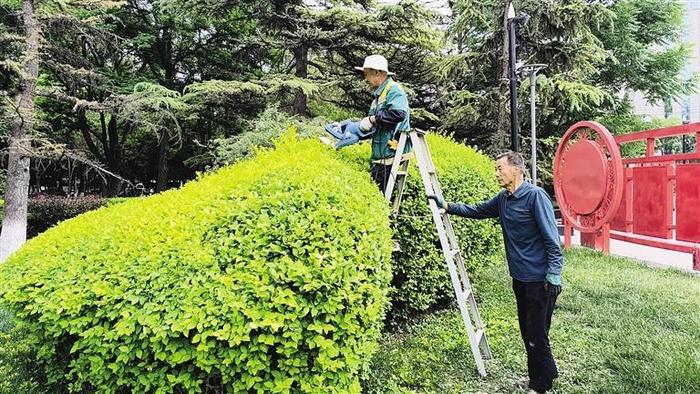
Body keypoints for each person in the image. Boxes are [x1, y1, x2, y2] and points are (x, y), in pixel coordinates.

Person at [427, 151, 563, 394]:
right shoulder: (503, 199)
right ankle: (541, 376)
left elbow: (552, 239)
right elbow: (478, 210)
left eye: (500, 168)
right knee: (528, 331)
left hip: (540, 280)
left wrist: (554, 272)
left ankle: (542, 383)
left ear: (516, 169)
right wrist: (446, 206)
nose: (496, 173)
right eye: (496, 169)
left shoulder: (535, 197)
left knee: (536, 333)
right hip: (519, 278)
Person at [354, 54, 411, 193]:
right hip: (381, 153)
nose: (365, 78)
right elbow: (378, 121)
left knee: (379, 192)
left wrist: (373, 119)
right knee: (378, 190)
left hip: (391, 152)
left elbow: (399, 113)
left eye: (367, 74)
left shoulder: (393, 89)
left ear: (378, 73)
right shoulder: (379, 96)